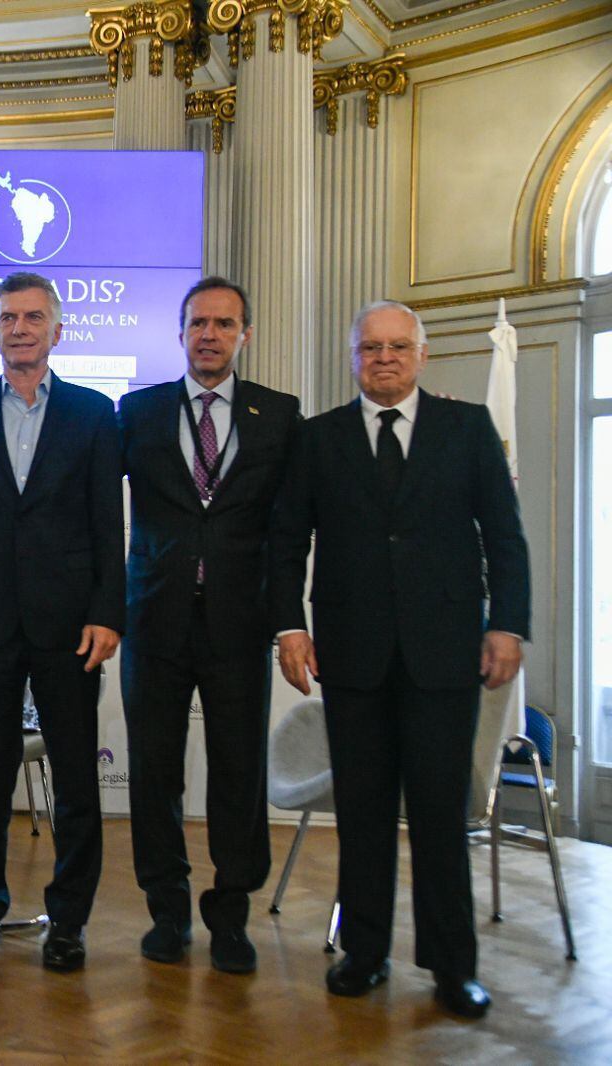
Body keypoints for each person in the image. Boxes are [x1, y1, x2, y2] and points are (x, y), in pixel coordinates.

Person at [269, 300, 529, 1019]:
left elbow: (504, 537)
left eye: (397, 347)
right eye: (370, 348)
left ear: (422, 354)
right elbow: (286, 542)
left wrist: (508, 624)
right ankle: (365, 952)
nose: (384, 359)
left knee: (442, 818)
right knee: (363, 813)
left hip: (445, 656)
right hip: (352, 657)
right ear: (353, 358)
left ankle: (453, 968)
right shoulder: (318, 440)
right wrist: (289, 628)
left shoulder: (467, 429)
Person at [0, 271, 125, 971]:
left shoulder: (96, 413)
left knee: (75, 779)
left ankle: (67, 922)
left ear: (57, 330)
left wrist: (108, 614)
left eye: (33, 317)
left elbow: (109, 525)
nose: (20, 328)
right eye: (8, 317)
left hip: (72, 626)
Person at [117, 277, 300, 974]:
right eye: (199, 323)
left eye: (225, 324)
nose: (210, 335)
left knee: (237, 771)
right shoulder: (137, 412)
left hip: (238, 624)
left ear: (244, 334)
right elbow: (103, 518)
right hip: (154, 621)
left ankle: (231, 914)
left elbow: (287, 536)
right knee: (153, 771)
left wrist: (289, 623)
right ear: (181, 332)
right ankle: (167, 911)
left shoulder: (279, 416)